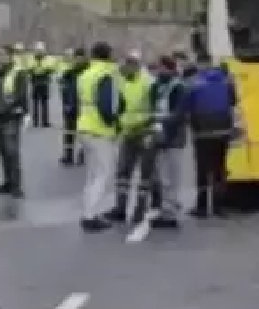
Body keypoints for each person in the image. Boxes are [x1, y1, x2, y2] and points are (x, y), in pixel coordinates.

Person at [106, 51, 158, 224]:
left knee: (145, 174)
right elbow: (119, 107)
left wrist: (152, 127)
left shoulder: (149, 82)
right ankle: (120, 208)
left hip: (145, 132)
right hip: (128, 132)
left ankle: (140, 209)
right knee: (123, 173)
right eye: (126, 64)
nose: (127, 68)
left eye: (130, 64)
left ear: (137, 65)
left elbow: (157, 107)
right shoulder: (122, 81)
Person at [186, 57, 238, 218]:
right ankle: (218, 207)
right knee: (219, 169)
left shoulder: (194, 83)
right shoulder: (226, 81)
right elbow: (233, 101)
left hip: (202, 132)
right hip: (223, 131)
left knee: (202, 169)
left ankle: (201, 208)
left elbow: (187, 106)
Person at [78, 42, 119, 231]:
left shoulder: (86, 74)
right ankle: (90, 216)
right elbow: (107, 105)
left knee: (91, 174)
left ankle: (87, 212)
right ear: (108, 55)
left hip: (84, 125)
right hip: (100, 129)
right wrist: (113, 122)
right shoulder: (106, 75)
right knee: (102, 174)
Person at [150, 55, 189, 229]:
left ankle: (170, 214)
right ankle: (167, 209)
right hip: (161, 135)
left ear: (169, 69)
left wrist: (164, 129)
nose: (158, 71)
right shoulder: (157, 86)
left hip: (173, 137)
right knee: (163, 176)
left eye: (161, 68)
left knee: (171, 177)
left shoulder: (178, 88)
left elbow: (179, 114)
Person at [0, 44, 29, 198]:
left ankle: (16, 186)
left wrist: (9, 108)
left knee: (11, 151)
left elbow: (20, 95)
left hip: (11, 117)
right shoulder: (1, 72)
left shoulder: (18, 72)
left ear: (10, 56)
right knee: (3, 151)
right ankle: (7, 182)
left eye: (2, 55)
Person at [59, 47, 90, 166]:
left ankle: (83, 154)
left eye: (80, 58)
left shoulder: (88, 72)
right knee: (69, 132)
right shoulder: (69, 73)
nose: (78, 60)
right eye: (76, 58)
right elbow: (64, 89)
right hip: (70, 105)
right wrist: (65, 102)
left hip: (84, 107)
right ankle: (68, 155)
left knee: (83, 132)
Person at [28, 42, 53, 128]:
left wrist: (39, 69)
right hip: (36, 82)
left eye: (40, 50)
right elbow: (29, 68)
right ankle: (36, 121)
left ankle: (44, 121)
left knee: (44, 103)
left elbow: (50, 68)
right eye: (38, 50)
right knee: (36, 103)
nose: (39, 52)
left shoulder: (47, 59)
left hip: (43, 82)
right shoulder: (32, 59)